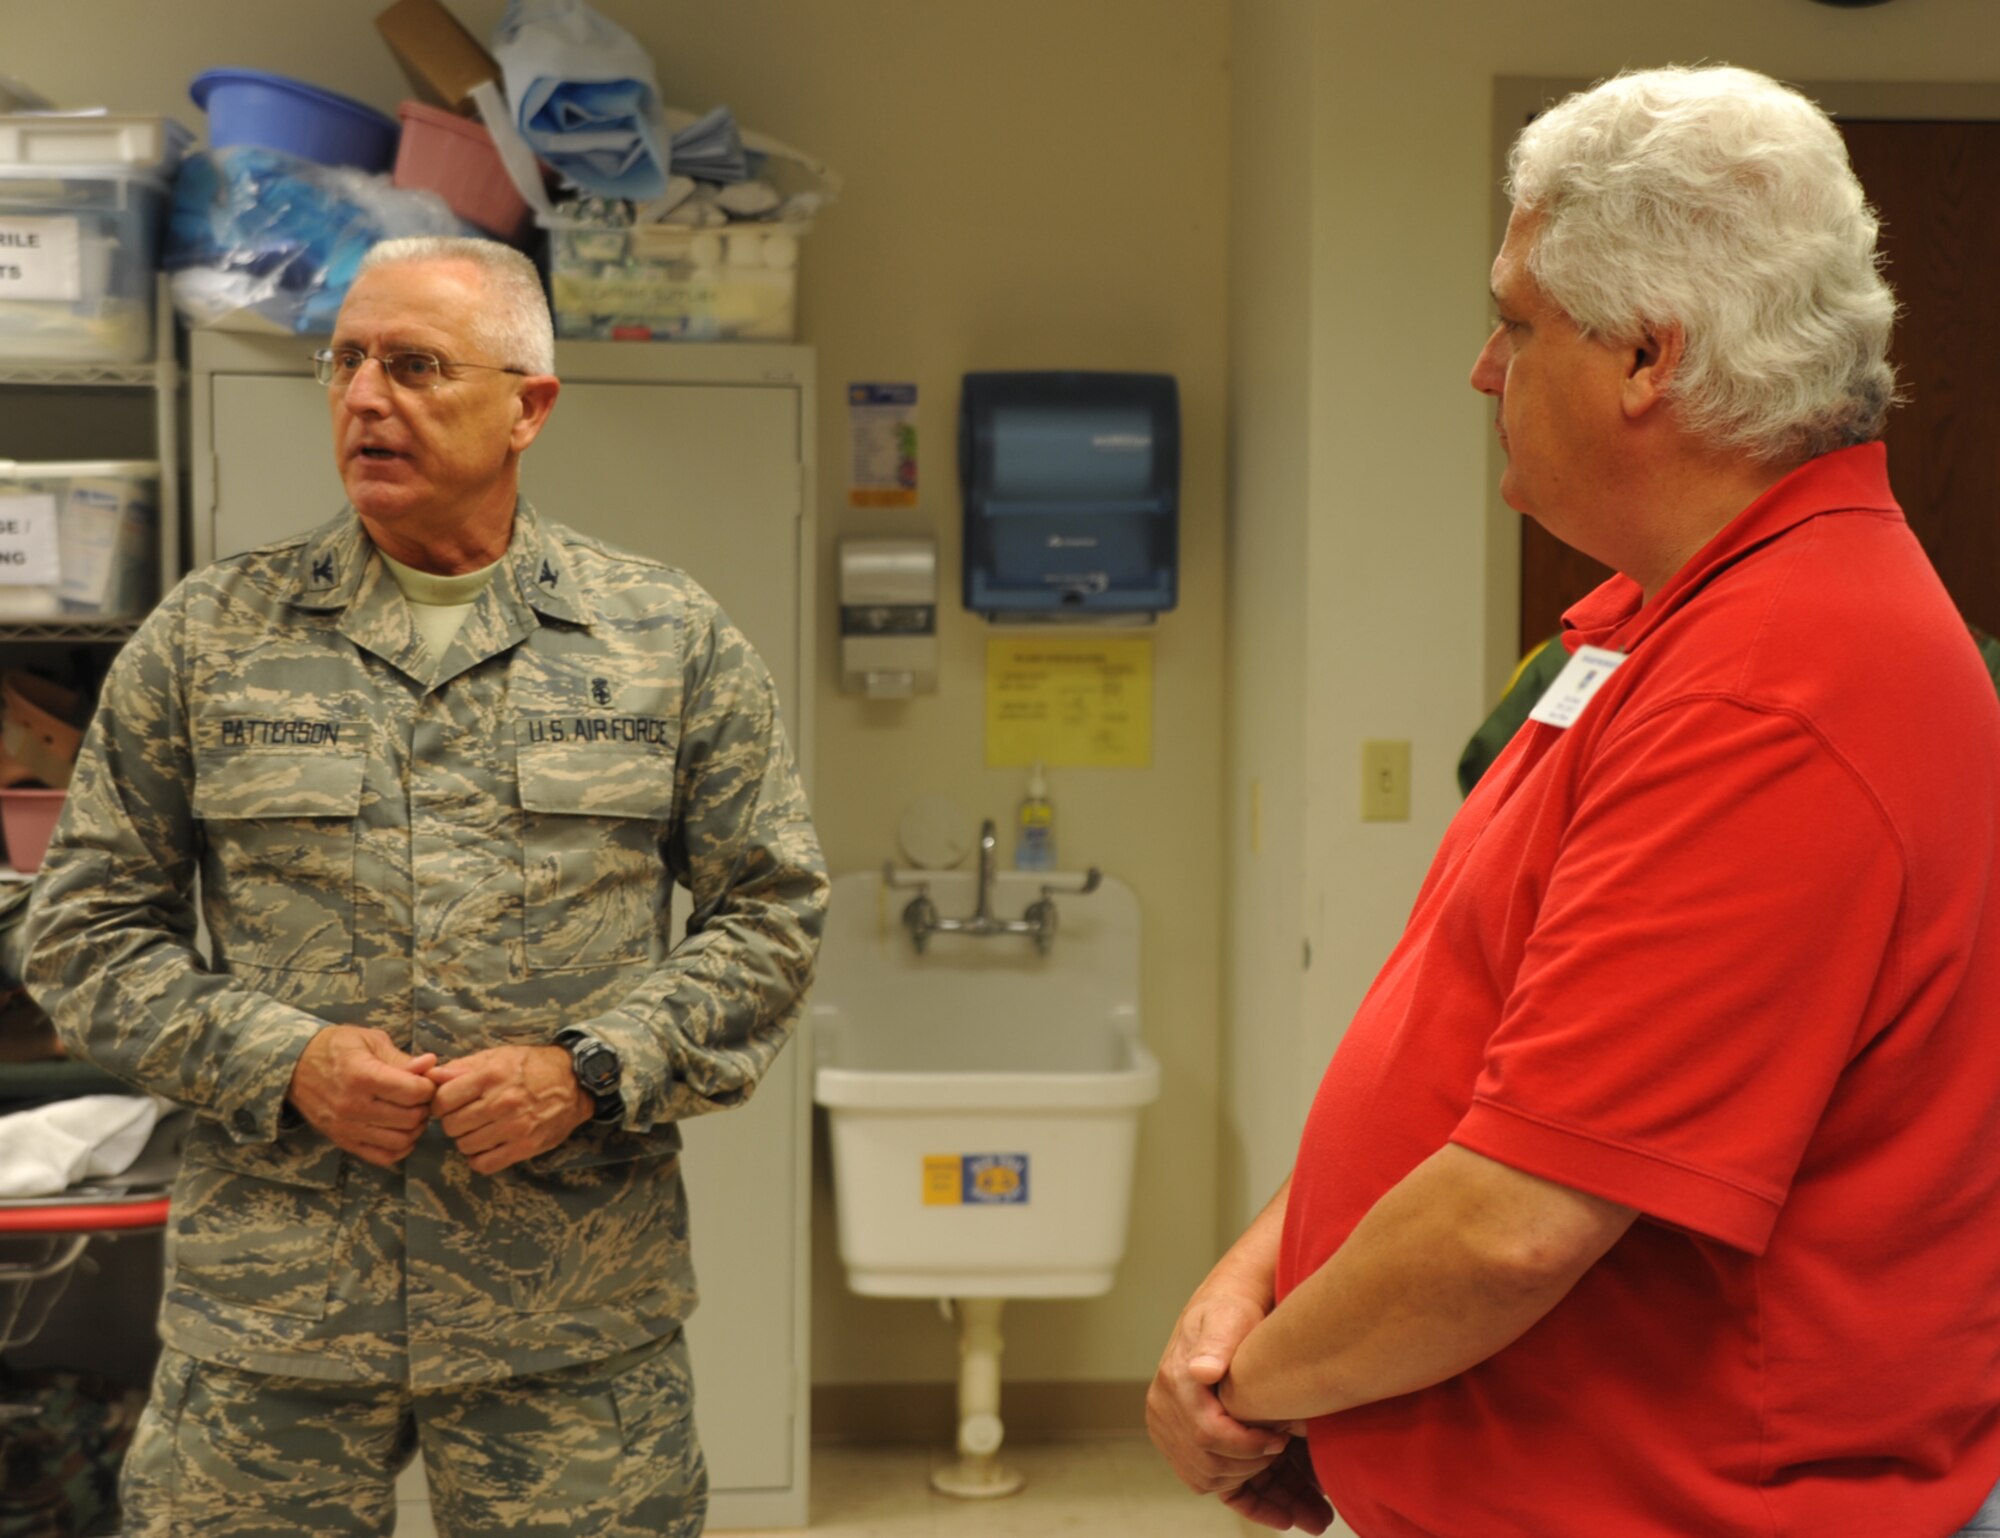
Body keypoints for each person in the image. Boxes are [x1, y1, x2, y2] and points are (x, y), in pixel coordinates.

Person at [1148, 65, 2000, 1538]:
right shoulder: (1652, 625)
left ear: (1648, 357)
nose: (1486, 369)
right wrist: (1260, 1272)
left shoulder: (1777, 692)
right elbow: (1473, 1040)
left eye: (1520, 321)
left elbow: (1513, 1225)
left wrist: (1256, 1393)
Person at [22, 235, 828, 1537]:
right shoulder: (211, 636)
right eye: (344, 361)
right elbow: (82, 932)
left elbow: (771, 914)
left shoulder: (665, 639)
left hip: (567, 1305)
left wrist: (594, 1068)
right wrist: (283, 1058)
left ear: (528, 405)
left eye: (414, 365)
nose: (363, 396)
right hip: (276, 1308)